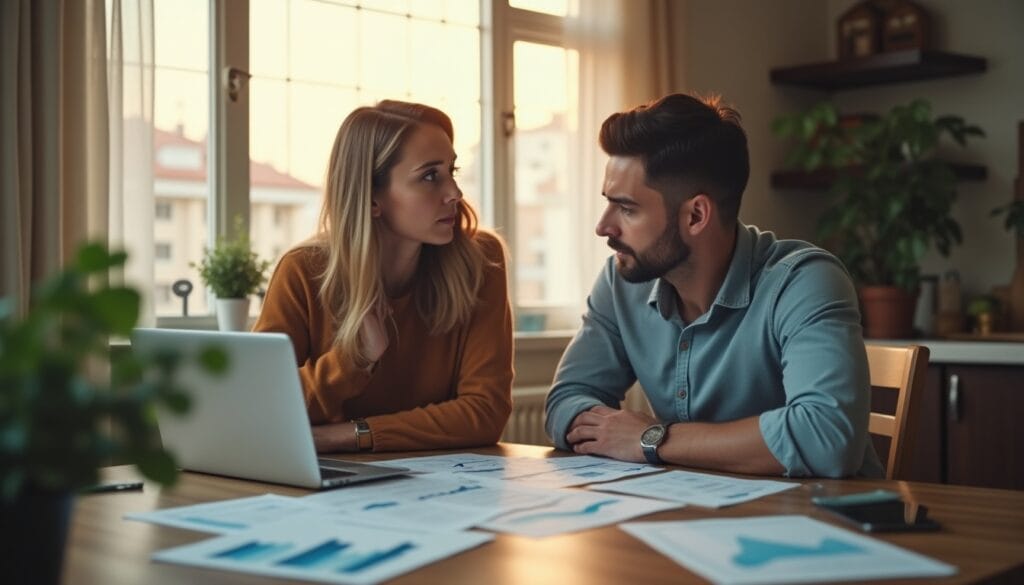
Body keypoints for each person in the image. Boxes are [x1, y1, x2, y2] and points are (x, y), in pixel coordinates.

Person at [544, 93, 883, 478]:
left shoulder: (804, 281)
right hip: (693, 519)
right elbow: (566, 403)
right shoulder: (621, 281)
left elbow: (826, 438)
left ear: (696, 215)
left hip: (826, 525)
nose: (603, 226)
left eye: (627, 208)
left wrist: (652, 439)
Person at [254, 100, 513, 453]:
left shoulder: (480, 261)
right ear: (373, 198)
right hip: (327, 491)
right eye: (429, 176)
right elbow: (263, 410)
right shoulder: (303, 272)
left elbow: (484, 412)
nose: (454, 193)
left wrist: (350, 434)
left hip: (446, 489)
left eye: (452, 172)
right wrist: (353, 360)